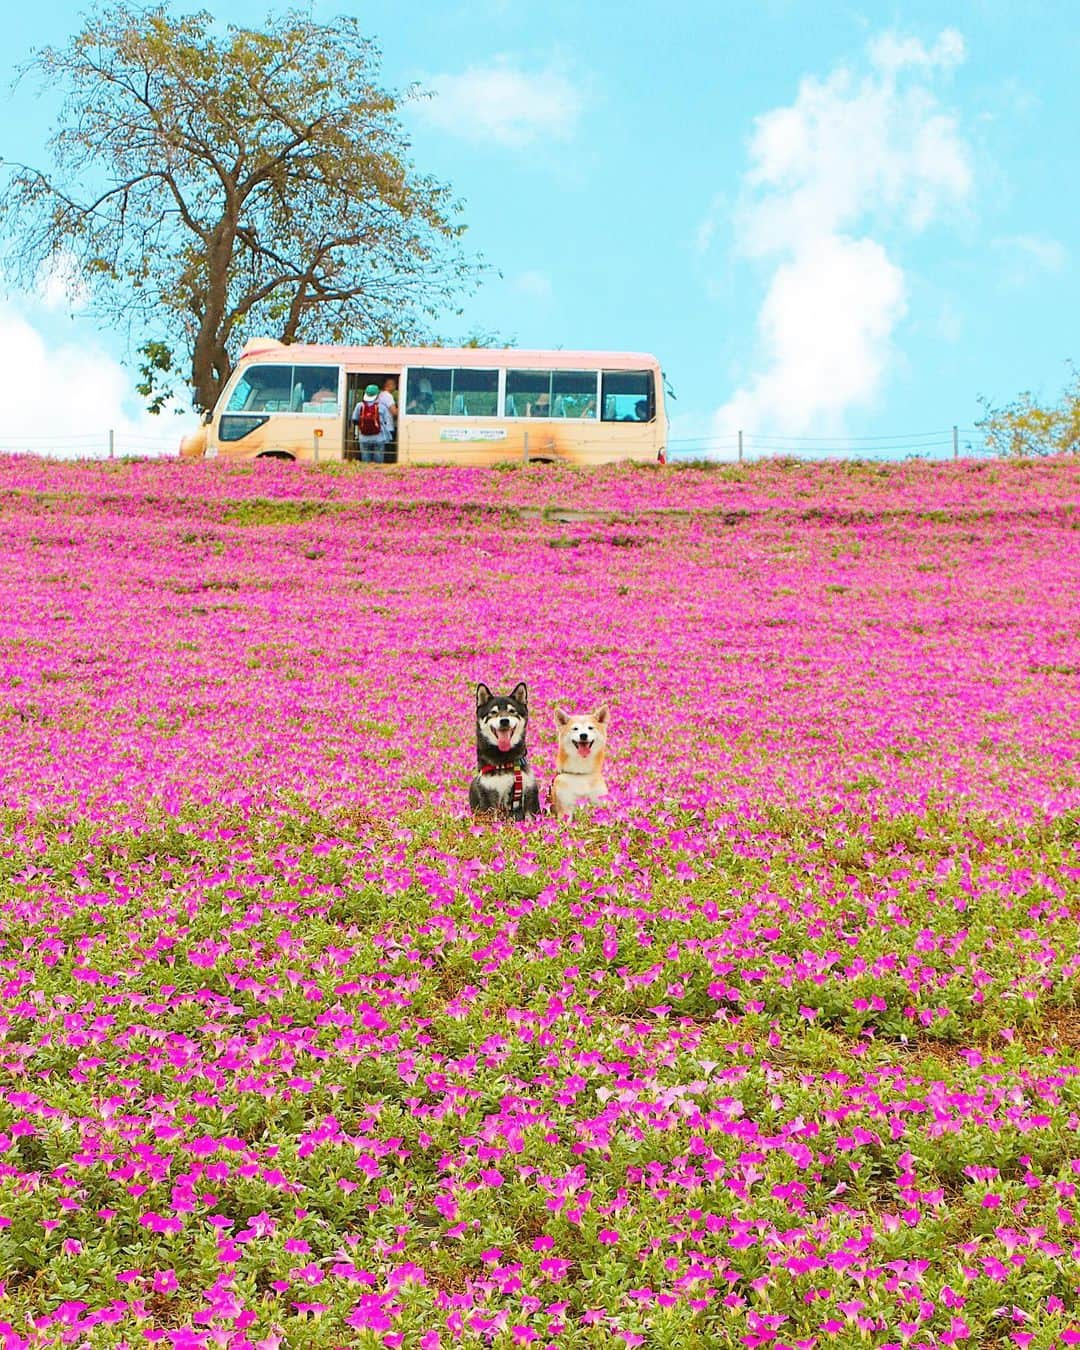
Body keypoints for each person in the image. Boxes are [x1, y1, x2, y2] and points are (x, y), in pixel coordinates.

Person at [352, 383, 390, 462]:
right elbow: (388, 422)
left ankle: (366, 474)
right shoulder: (382, 407)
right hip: (379, 437)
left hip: (364, 437)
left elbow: (354, 419)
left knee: (365, 462)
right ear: (377, 395)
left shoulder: (359, 406)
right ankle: (377, 474)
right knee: (378, 463)